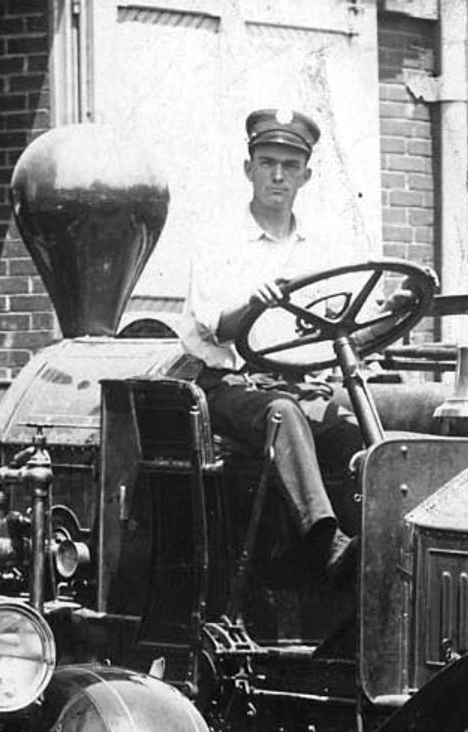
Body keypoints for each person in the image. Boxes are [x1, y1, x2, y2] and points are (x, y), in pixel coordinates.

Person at [166, 107, 380, 574]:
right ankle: (324, 539)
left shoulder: (321, 247)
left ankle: (384, 543)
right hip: (230, 388)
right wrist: (251, 305)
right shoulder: (218, 239)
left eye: (289, 166)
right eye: (267, 163)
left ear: (306, 175)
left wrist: (389, 313)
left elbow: (342, 327)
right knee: (282, 413)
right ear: (249, 169)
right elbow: (215, 327)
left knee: (357, 432)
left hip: (304, 386)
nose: (277, 176)